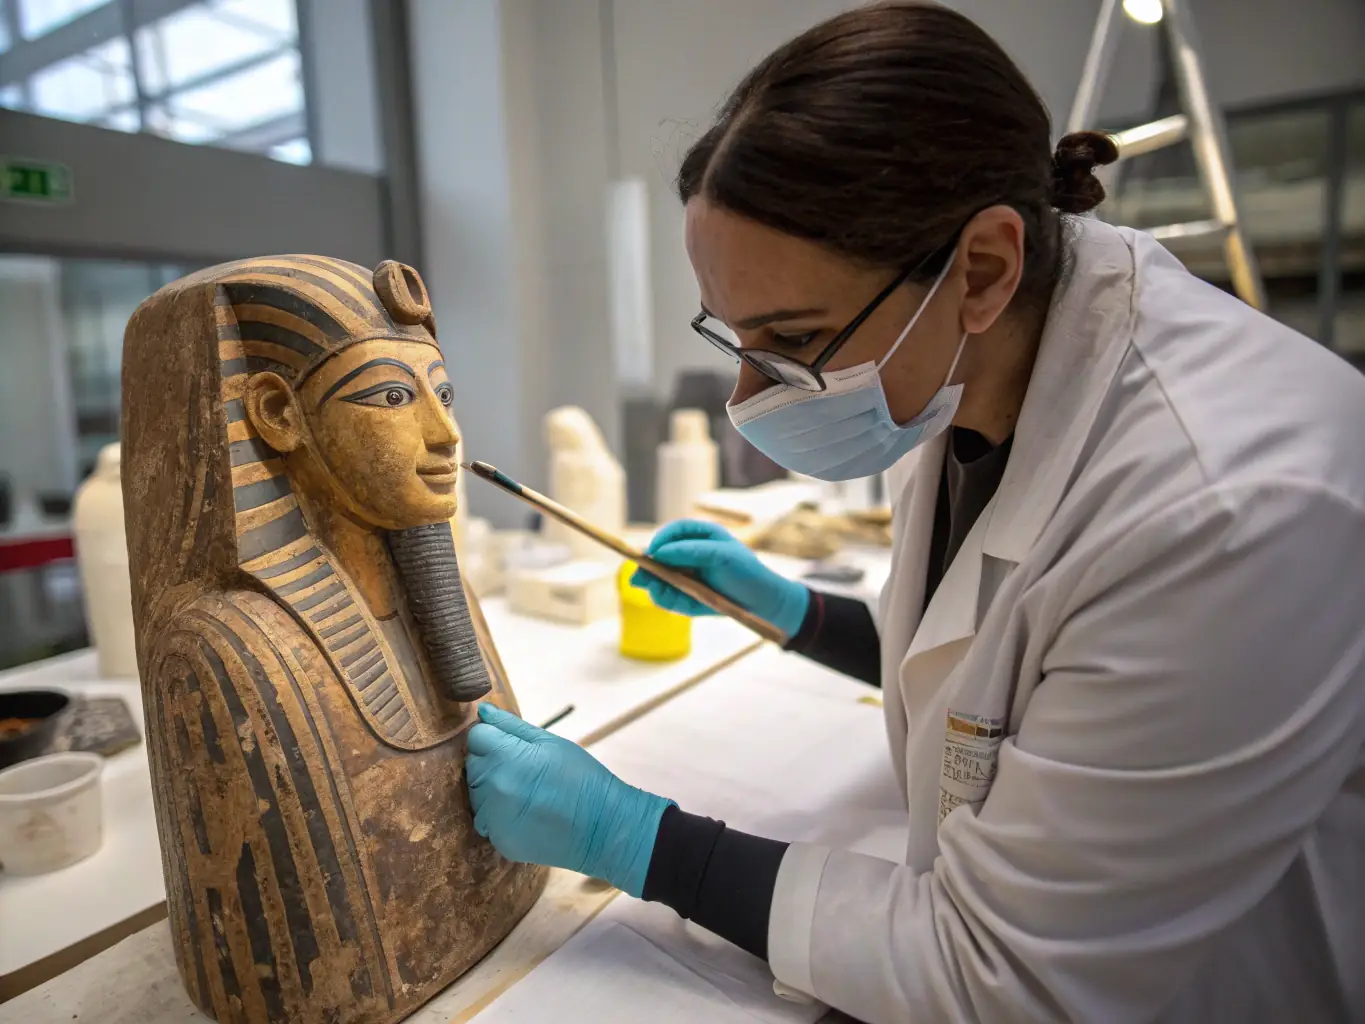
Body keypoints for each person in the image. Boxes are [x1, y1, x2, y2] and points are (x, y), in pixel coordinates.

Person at [464, 3, 1365, 1021]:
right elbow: (998, 659)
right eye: (737, 339)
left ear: (981, 267)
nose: (749, 399)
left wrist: (638, 838)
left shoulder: (1226, 512)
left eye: (794, 337)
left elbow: (1006, 976)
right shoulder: (967, 359)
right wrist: (802, 614)